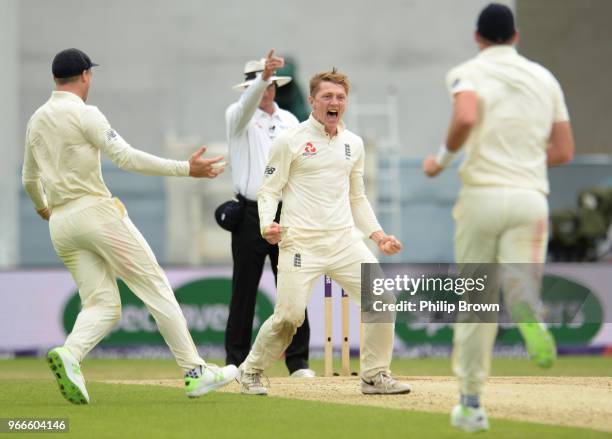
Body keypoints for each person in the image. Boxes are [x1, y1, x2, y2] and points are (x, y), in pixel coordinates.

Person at [22, 48, 238, 405]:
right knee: (155, 287)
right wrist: (186, 169)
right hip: (95, 213)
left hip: (60, 224)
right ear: (86, 76)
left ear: (54, 79)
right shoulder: (85, 113)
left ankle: (71, 354)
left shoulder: (37, 119)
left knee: (103, 305)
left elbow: (29, 178)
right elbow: (126, 157)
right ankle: (196, 373)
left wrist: (44, 207)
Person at [422, 4, 574, 432]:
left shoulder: (468, 71)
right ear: (516, 35)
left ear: (477, 36)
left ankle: (471, 404)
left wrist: (443, 160)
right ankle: (528, 307)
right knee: (520, 283)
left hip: (482, 197)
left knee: (475, 304)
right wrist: (523, 158)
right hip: (530, 198)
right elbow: (563, 152)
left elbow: (466, 115)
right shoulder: (546, 79)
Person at [237, 68, 412, 396]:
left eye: (340, 97)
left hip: (345, 241)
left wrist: (377, 235)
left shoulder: (353, 144)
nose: (334, 102)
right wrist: (266, 224)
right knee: (289, 318)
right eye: (327, 97)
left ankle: (374, 375)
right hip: (301, 242)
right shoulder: (289, 141)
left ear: (346, 103)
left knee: (382, 299)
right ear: (313, 101)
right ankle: (251, 370)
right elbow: (269, 190)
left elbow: (357, 197)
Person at [225, 50, 314, 378]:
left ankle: (298, 362)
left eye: (272, 84)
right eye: (263, 84)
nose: (268, 90)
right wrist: (261, 77)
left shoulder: (290, 121)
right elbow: (246, 105)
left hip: (285, 212)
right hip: (249, 212)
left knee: (292, 287)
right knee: (244, 291)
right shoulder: (238, 115)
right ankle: (236, 360)